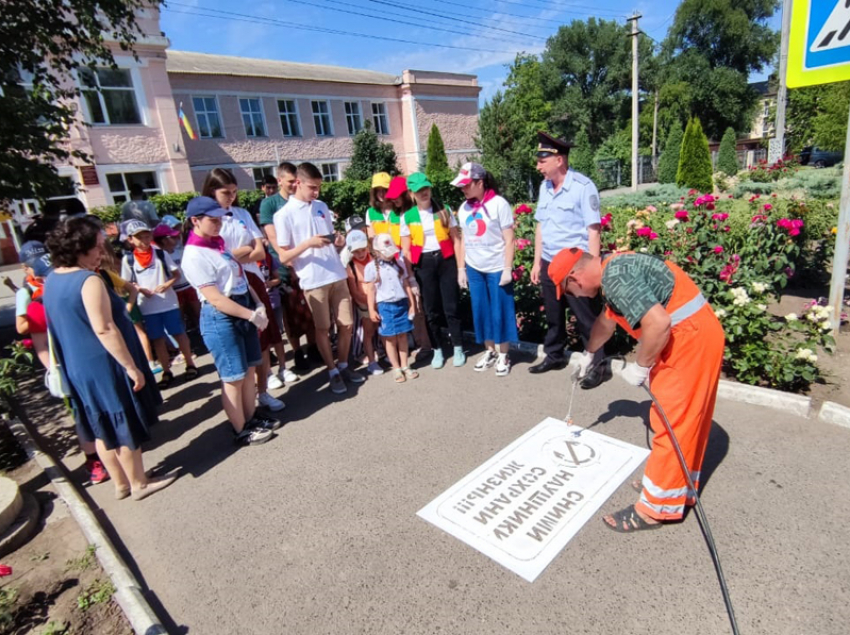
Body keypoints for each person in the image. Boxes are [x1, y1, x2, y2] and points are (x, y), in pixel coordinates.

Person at [549, 247, 725, 532]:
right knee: (684, 421)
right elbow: (606, 322)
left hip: (690, 341)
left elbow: (658, 322)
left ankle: (654, 510)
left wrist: (641, 367)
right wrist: (589, 354)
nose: (574, 297)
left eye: (568, 291)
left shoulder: (615, 277)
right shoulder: (613, 268)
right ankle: (677, 487)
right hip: (694, 335)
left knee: (671, 422)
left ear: (576, 278)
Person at [43, 217, 175, 501]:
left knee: (101, 426)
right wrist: (132, 367)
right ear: (80, 249)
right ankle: (139, 483)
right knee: (124, 421)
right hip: (105, 364)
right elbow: (104, 328)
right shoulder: (88, 280)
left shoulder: (53, 278)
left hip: (78, 366)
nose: (101, 252)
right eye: (97, 247)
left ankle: (121, 484)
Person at [180, 196, 278, 446]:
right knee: (233, 377)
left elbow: (240, 277)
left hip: (243, 307)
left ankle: (251, 417)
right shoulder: (194, 254)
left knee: (247, 373)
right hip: (222, 317)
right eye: (213, 221)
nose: (219, 225)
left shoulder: (218, 244)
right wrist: (251, 315)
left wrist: (257, 303)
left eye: (220, 219)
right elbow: (215, 298)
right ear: (195, 221)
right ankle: (240, 428)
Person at [274, 162, 365, 394]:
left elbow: (331, 238)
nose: (316, 192)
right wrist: (308, 244)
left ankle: (344, 365)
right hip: (313, 280)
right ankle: (332, 370)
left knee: (347, 324)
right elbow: (284, 256)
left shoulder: (321, 205)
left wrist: (339, 241)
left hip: (336, 273)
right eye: (312, 187)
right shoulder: (283, 215)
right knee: (323, 329)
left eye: (319, 187)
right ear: (298, 183)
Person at [202, 168, 287, 412]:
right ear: (211, 191)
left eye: (234, 192)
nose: (230, 197)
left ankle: (262, 393)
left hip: (253, 281)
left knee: (261, 341)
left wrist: (232, 255)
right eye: (225, 192)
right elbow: (214, 260)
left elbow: (259, 251)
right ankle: (242, 406)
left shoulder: (241, 214)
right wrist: (239, 254)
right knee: (238, 348)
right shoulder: (207, 220)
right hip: (227, 289)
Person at [529, 132, 606, 387]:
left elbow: (593, 230)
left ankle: (599, 365)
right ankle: (555, 355)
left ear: (559, 160)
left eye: (542, 160)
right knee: (553, 315)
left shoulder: (583, 187)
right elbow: (541, 225)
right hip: (551, 262)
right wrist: (536, 261)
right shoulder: (545, 187)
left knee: (586, 318)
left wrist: (592, 269)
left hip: (576, 266)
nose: (538, 165)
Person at [453, 163, 517, 376]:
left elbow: (510, 240)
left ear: (480, 183)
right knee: (480, 311)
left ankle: (504, 354)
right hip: (475, 267)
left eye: (467, 185)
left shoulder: (499, 204)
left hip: (497, 266)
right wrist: (461, 268)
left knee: (500, 310)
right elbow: (463, 240)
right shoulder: (464, 208)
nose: (463, 190)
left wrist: (508, 268)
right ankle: (489, 350)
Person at [120, 219, 198, 388]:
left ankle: (190, 364)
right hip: (147, 306)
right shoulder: (129, 260)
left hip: (168, 303)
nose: (144, 241)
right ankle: (166, 371)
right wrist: (140, 289)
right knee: (157, 339)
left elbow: (176, 274)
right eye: (139, 237)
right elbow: (127, 283)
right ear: (130, 239)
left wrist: (167, 284)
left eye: (147, 236)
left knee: (178, 333)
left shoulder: (161, 254)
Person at [400, 172, 465, 369]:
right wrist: (410, 276)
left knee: (451, 307)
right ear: (412, 194)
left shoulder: (443, 210)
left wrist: (461, 268)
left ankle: (458, 347)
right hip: (424, 264)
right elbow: (406, 249)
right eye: (419, 191)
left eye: (426, 188)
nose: (424, 193)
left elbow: (456, 240)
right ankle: (437, 349)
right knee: (431, 310)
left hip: (446, 261)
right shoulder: (407, 216)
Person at [365, 234, 418, 383]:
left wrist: (412, 304)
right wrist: (371, 309)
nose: (389, 255)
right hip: (385, 306)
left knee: (402, 336)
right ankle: (396, 367)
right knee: (390, 339)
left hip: (401, 304)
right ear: (376, 252)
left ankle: (405, 365)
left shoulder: (399, 264)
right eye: (385, 252)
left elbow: (406, 285)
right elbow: (371, 291)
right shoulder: (371, 268)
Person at [153, 221, 201, 338]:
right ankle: (185, 341)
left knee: (198, 313)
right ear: (164, 240)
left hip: (188, 286)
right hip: (174, 290)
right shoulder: (159, 256)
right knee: (179, 317)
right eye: (172, 237)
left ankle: (204, 335)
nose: (176, 239)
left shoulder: (181, 251)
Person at [345, 229, 383, 375]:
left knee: (382, 330)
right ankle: (372, 362)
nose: (360, 253)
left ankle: (385, 353)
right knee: (368, 331)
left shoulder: (375, 259)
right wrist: (369, 304)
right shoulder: (351, 267)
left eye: (362, 249)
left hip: (381, 300)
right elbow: (354, 291)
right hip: (364, 303)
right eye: (356, 251)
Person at [259, 162, 298, 249]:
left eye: (296, 181)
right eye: (291, 181)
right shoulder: (268, 203)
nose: (294, 185)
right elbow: (273, 236)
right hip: (280, 257)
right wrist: (285, 256)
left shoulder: (302, 201)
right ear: (279, 181)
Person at [364, 172, 393, 242]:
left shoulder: (398, 210)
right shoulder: (370, 212)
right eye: (378, 190)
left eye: (384, 190)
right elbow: (371, 238)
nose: (381, 194)